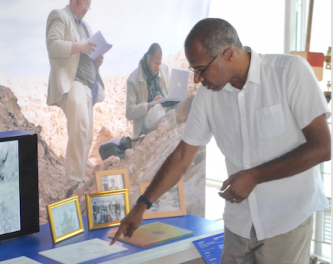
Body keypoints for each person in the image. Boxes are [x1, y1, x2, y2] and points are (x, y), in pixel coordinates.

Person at [111, 18, 330, 264]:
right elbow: (183, 156)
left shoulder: (289, 72)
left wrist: (254, 175)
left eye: (200, 69)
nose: (197, 79)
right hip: (239, 223)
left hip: (286, 221)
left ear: (227, 54)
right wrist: (142, 205)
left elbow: (322, 147)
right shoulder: (208, 95)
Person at [46, 0, 105, 198]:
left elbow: (85, 53)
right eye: (84, 4)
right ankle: (71, 186)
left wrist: (96, 59)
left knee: (86, 137)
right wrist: (81, 46)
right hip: (73, 83)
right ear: (74, 1)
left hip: (88, 86)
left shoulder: (85, 26)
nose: (86, 9)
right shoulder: (59, 16)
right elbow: (53, 46)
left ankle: (76, 186)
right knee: (79, 129)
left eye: (89, 5)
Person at [125, 43, 171, 137]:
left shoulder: (164, 69)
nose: (158, 68)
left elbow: (169, 94)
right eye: (156, 63)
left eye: (160, 63)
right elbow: (129, 112)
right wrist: (149, 105)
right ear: (148, 59)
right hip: (145, 121)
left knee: (181, 105)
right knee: (158, 108)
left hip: (164, 112)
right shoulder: (133, 79)